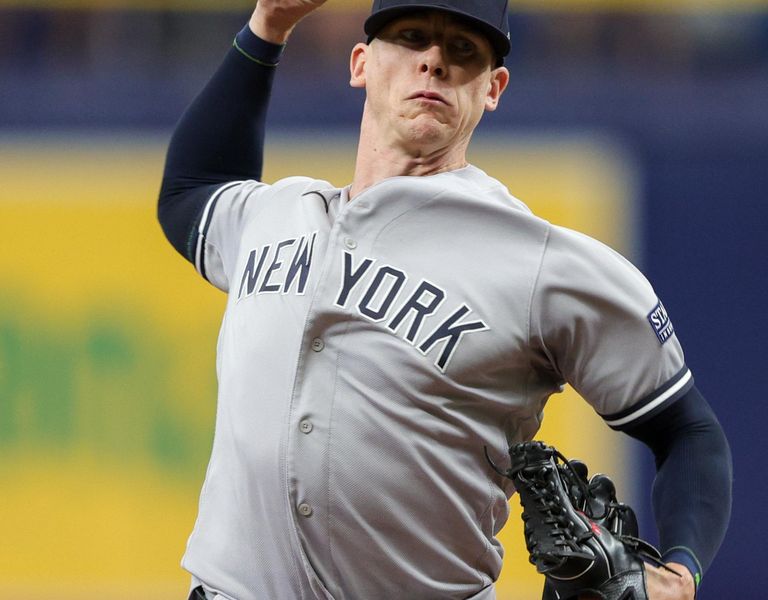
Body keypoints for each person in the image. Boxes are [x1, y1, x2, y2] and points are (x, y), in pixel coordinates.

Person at [158, 1, 732, 599]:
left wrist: (680, 572)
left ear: (494, 88)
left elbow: (688, 429)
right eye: (410, 38)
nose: (433, 60)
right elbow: (189, 192)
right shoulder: (275, 217)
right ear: (360, 64)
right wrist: (267, 26)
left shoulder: (542, 262)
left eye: (463, 51)